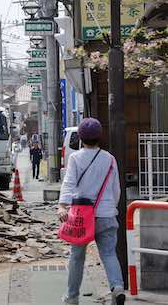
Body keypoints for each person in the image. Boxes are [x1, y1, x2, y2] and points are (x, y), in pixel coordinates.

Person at [58, 118, 124, 305]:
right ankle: (117, 287)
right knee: (109, 254)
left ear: (80, 137)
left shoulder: (75, 158)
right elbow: (116, 189)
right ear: (99, 136)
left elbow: (69, 182)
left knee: (77, 257)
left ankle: (72, 297)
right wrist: (111, 208)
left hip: (81, 217)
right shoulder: (109, 159)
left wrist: (62, 205)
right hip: (107, 215)